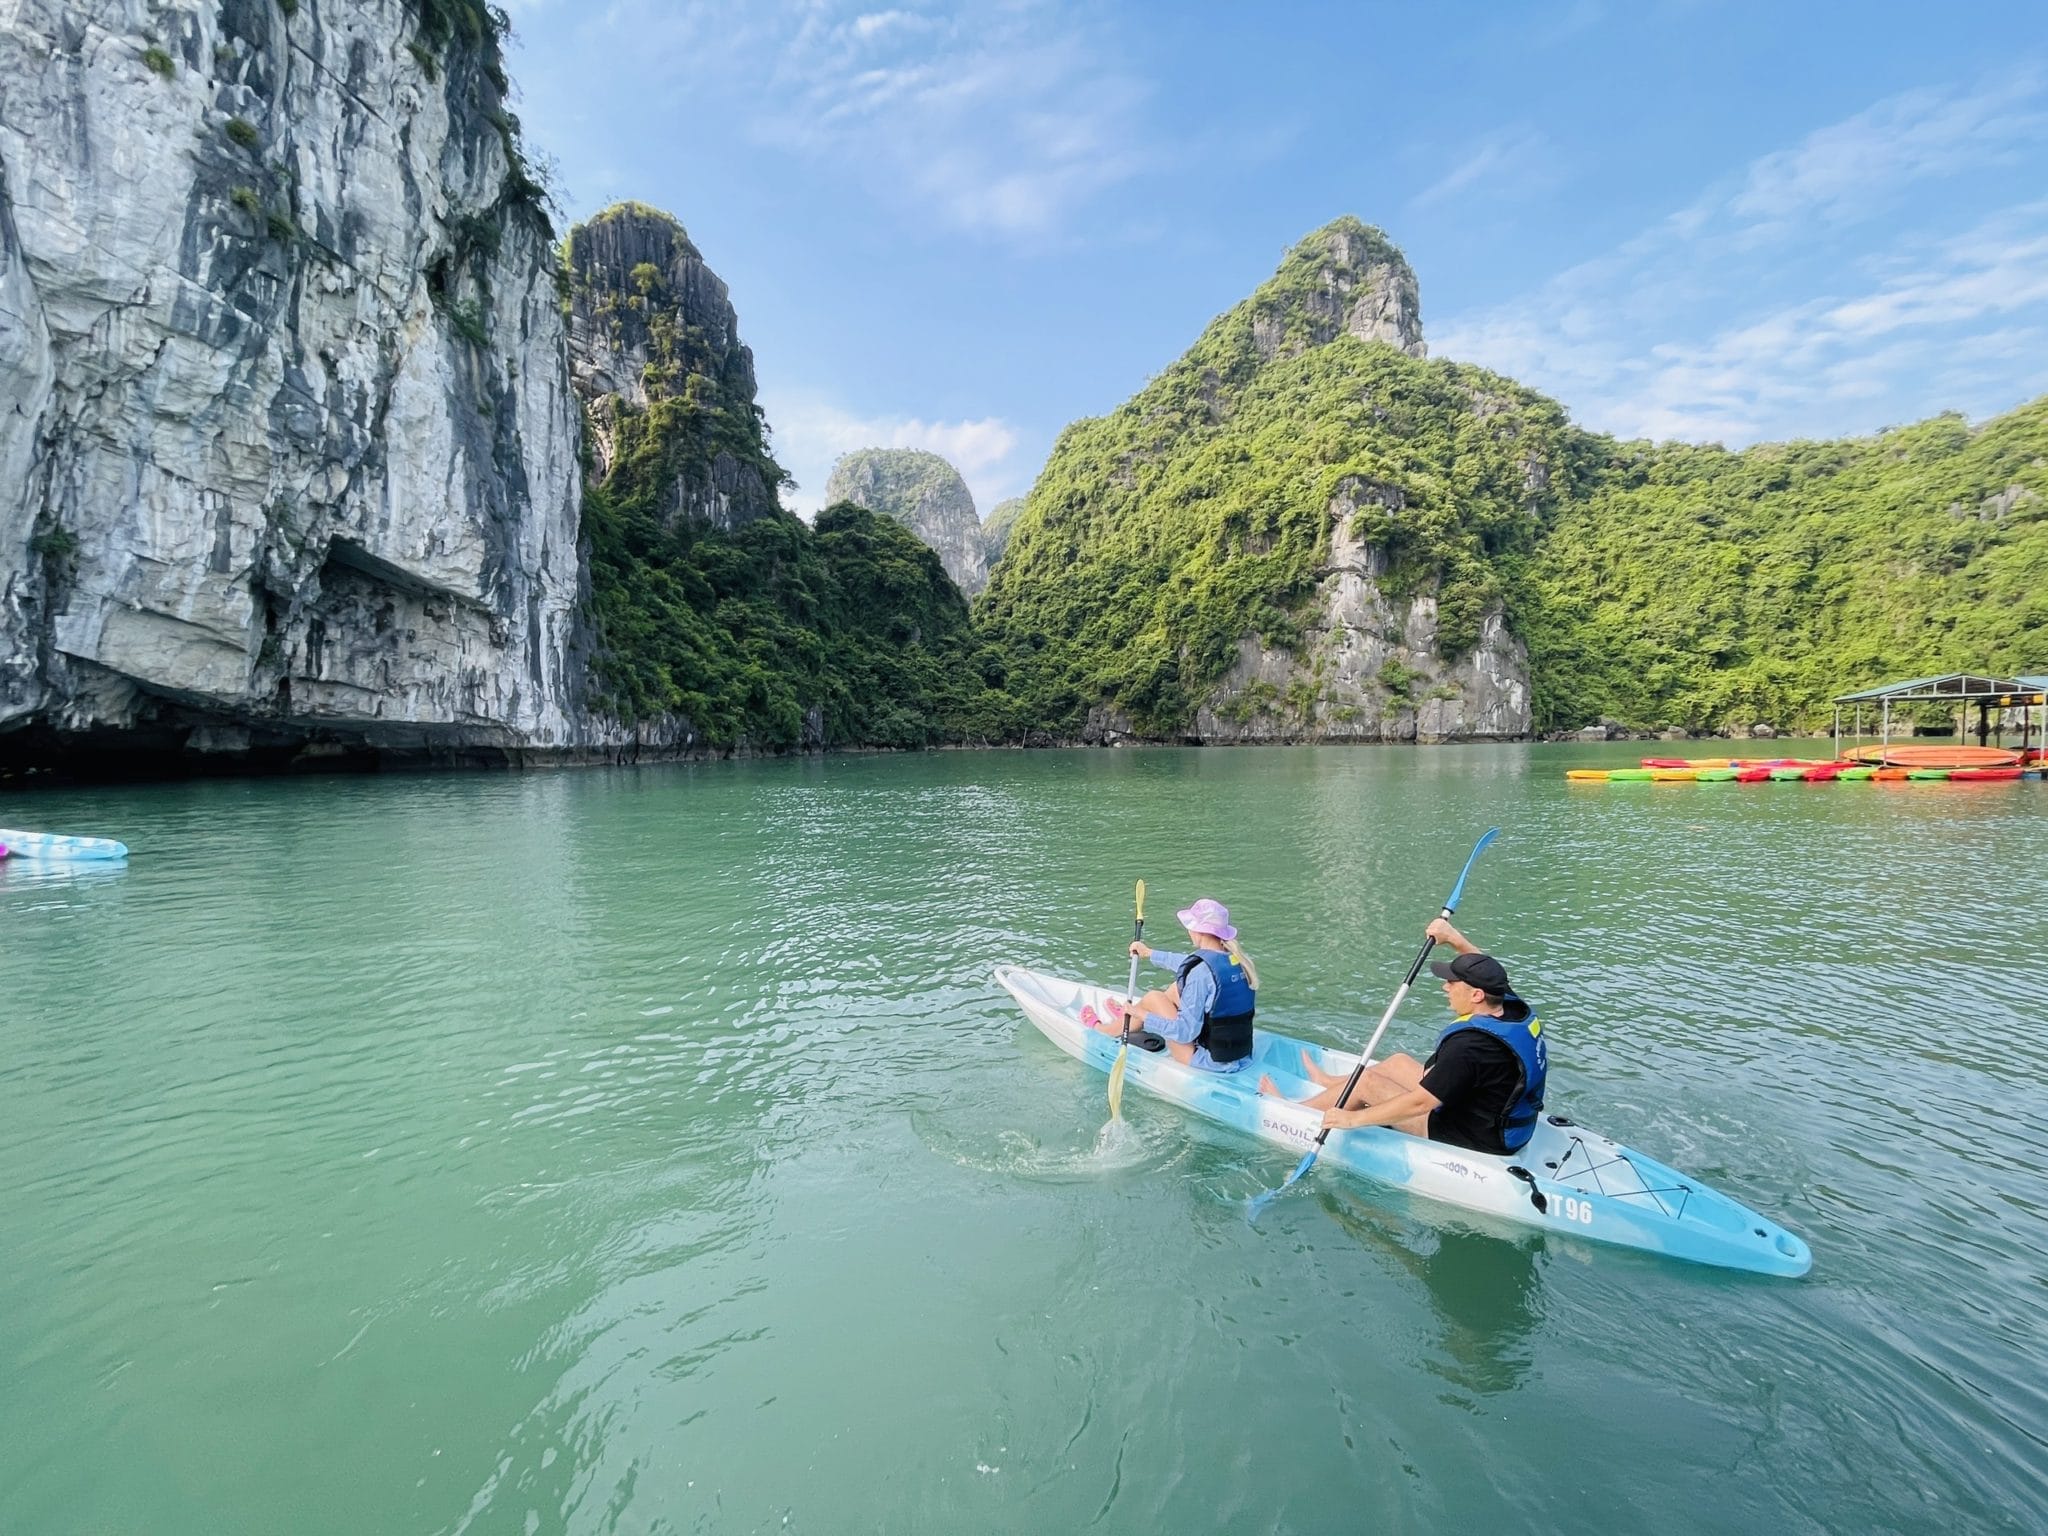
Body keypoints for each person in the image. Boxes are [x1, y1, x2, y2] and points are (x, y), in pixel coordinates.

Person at [1258, 917, 1546, 1153]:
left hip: (1473, 1134)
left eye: (1452, 982)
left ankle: (1293, 1111)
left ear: (1476, 995)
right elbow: (1487, 968)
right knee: (1397, 1062)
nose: (1445, 987)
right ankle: (1328, 1083)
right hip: (1493, 1115)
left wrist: (1353, 1119)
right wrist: (1454, 939)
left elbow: (1421, 1103)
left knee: (1368, 1083)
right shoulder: (1511, 1008)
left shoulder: (1470, 1046)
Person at [1086, 898, 1259, 1073]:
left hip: (1207, 1060)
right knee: (1176, 988)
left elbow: (1185, 1033)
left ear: (1198, 931)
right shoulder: (1238, 960)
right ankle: (1130, 1019)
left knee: (1154, 998)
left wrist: (1143, 1014)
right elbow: (1189, 964)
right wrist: (1149, 953)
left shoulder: (1200, 974)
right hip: (1241, 1054)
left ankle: (1109, 1027)